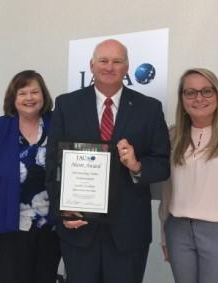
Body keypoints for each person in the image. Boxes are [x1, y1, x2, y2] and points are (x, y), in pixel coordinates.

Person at [45, 39, 170, 283]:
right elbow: (52, 164)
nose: (109, 67)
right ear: (91, 66)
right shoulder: (66, 104)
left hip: (128, 232)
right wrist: (64, 210)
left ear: (126, 68)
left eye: (117, 61)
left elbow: (162, 164)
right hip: (79, 228)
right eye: (103, 61)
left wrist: (137, 166)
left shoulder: (149, 109)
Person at [0, 70, 61, 283]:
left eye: (34, 92)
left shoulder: (58, 125)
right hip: (8, 227)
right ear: (13, 98)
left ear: (43, 95)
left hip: (51, 228)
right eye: (22, 93)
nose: (29, 98)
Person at [159, 68, 218, 283]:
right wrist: (165, 233)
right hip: (179, 231)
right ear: (182, 99)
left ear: (217, 94)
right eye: (190, 92)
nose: (199, 98)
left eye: (206, 91)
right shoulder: (173, 135)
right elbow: (168, 192)